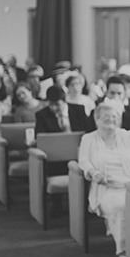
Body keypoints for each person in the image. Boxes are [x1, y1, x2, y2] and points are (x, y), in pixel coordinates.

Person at [78, 102, 130, 257]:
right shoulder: (88, 138)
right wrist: (94, 173)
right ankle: (125, 249)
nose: (111, 119)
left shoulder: (127, 135)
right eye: (106, 117)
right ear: (97, 119)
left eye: (114, 116)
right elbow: (83, 161)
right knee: (122, 207)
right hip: (106, 188)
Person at [35, 85, 88, 218]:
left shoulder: (78, 110)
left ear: (64, 101)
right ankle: (57, 204)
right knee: (53, 162)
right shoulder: (42, 114)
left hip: (79, 152)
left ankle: (85, 203)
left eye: (57, 104)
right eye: (51, 104)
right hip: (56, 155)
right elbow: (41, 137)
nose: (54, 108)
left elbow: (87, 132)